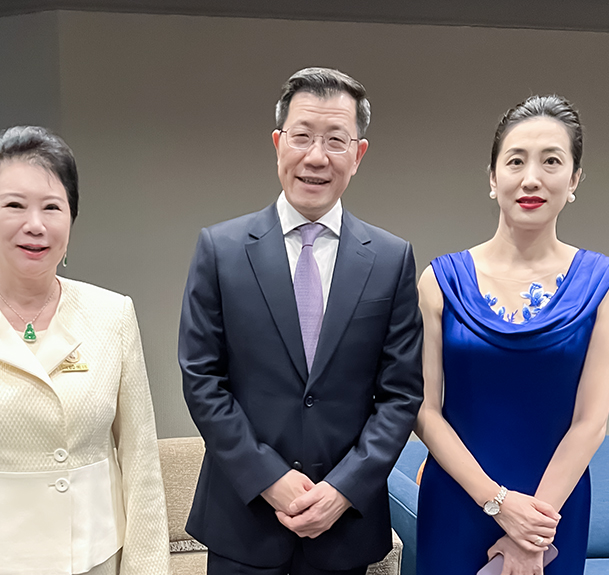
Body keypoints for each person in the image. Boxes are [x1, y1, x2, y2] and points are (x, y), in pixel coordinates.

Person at [178, 67, 424, 575]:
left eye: (336, 140)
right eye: (302, 136)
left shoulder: (391, 259)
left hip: (343, 528)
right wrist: (268, 478)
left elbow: (400, 394)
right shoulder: (221, 250)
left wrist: (343, 489)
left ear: (358, 155)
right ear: (278, 144)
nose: (316, 157)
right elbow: (202, 379)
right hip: (242, 521)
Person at [0, 126, 170, 575]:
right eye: (14, 205)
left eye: (52, 207)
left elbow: (140, 465)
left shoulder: (113, 314)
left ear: (71, 220)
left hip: (93, 559)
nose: (36, 225)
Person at [414, 95, 609, 575]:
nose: (532, 178)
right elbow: (424, 411)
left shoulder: (605, 282)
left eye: (551, 161)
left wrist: (531, 532)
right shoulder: (439, 280)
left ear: (574, 180)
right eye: (515, 161)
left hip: (553, 513)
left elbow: (590, 422)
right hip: (459, 501)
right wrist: (498, 503)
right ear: (493, 178)